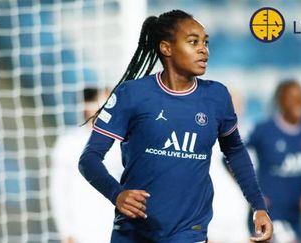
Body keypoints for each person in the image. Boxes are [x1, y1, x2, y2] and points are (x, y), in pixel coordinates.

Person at [78, 9, 273, 243]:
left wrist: (258, 206)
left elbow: (235, 152)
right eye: (193, 42)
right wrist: (116, 195)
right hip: (133, 233)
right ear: (166, 48)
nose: (203, 49)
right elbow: (89, 158)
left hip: (189, 233)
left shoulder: (217, 96)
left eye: (205, 42)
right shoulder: (132, 94)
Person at [246, 80, 301, 243]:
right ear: (280, 101)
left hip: (295, 213)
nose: (299, 102)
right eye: (292, 97)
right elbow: (231, 160)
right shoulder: (263, 130)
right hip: (268, 212)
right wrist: (252, 195)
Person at [50, 88, 123, 243]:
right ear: (86, 106)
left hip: (114, 228)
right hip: (81, 230)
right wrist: (66, 231)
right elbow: (58, 189)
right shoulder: (69, 142)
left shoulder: (121, 142)